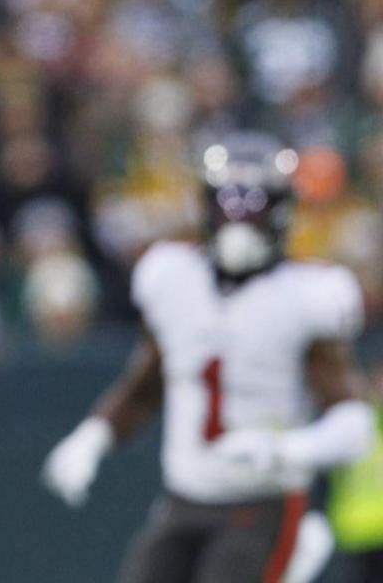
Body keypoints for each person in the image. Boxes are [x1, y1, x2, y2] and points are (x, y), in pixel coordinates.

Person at [41, 133, 373, 583]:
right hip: (183, 499)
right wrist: (93, 436)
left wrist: (284, 450)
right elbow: (147, 386)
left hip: (260, 502)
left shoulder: (305, 297)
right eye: (228, 204)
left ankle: (293, 554)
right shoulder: (174, 279)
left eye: (254, 206)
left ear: (280, 211)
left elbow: (355, 424)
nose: (238, 220)